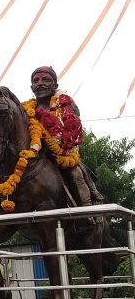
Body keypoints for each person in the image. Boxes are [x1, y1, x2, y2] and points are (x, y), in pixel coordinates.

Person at [28, 66, 103, 211]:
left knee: (75, 173)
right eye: (35, 81)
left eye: (45, 79)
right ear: (31, 87)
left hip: (61, 154)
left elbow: (73, 130)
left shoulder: (66, 104)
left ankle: (87, 212)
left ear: (55, 86)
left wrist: (58, 146)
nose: (39, 83)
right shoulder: (25, 109)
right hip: (33, 155)